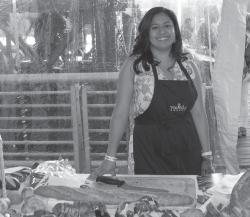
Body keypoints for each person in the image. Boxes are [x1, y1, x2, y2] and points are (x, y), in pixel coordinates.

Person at [89, 7, 213, 178]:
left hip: (187, 148)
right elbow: (120, 113)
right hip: (147, 150)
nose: (162, 31)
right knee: (148, 201)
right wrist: (110, 158)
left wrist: (206, 155)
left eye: (167, 26)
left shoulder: (189, 67)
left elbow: (199, 113)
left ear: (175, 31)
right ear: (146, 33)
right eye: (155, 27)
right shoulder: (134, 66)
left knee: (190, 200)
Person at [238, 14, 250, 138]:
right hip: (243, 72)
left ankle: (240, 126)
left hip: (243, 72)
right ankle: (241, 127)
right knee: (242, 100)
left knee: (241, 100)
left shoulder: (245, 36)